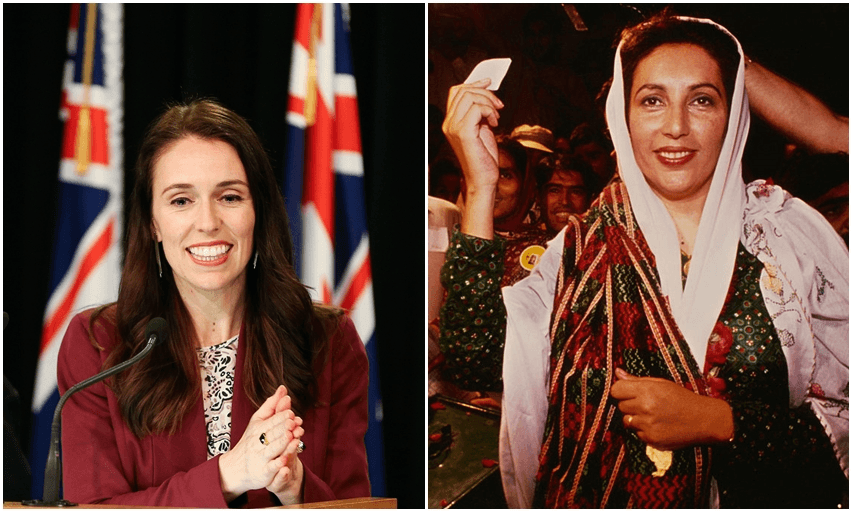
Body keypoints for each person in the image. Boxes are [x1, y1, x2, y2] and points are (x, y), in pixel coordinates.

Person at [441, 14, 847, 509]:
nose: (676, 127)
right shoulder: (582, 247)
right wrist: (480, 186)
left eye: (702, 100)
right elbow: (476, 360)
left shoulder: (787, 238)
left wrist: (718, 421)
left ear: (733, 114)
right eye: (652, 100)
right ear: (623, 117)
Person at [57, 100, 370, 507]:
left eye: (230, 197)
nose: (207, 222)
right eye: (181, 201)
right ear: (152, 223)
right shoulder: (98, 344)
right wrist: (228, 474)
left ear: (258, 211)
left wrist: (296, 488)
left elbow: (355, 505)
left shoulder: (328, 341)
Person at [533, 154, 596, 235]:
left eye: (575, 192)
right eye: (555, 191)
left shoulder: (602, 242)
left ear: (591, 200)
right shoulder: (524, 241)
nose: (565, 202)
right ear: (538, 196)